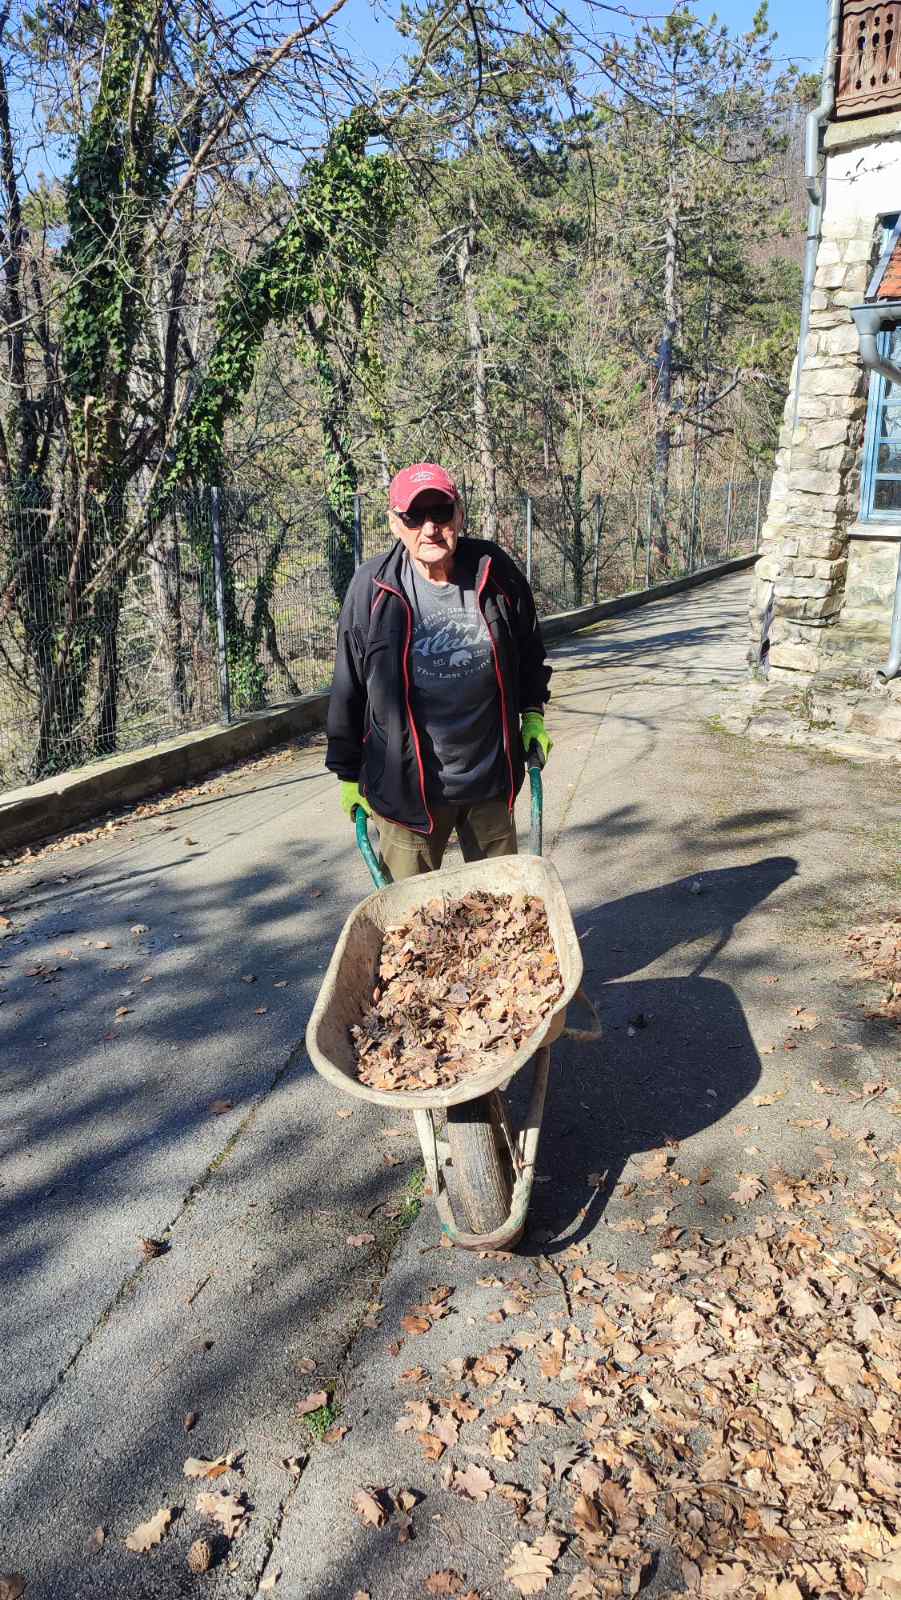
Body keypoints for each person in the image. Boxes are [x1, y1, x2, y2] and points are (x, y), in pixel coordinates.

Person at [326, 462, 552, 882]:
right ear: (394, 523)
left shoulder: (494, 570)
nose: (429, 528)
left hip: (489, 782)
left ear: (459, 514)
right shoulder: (372, 588)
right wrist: (348, 773)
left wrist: (533, 713)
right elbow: (348, 685)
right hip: (405, 791)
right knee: (412, 912)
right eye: (414, 516)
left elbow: (527, 649)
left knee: (501, 903)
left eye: (441, 512)